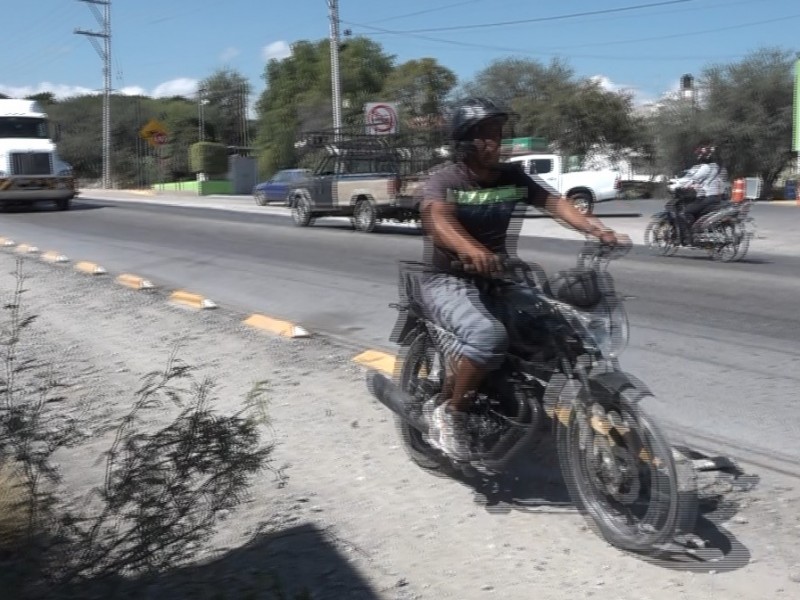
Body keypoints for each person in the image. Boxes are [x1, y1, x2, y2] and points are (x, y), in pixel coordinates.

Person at [417, 97, 628, 462]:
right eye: (485, 135)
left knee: (560, 328)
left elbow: (555, 202)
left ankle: (518, 399)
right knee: (488, 336)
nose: (494, 143)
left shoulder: (512, 177)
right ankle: (452, 413)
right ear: (464, 141)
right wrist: (470, 250)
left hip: (498, 275)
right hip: (448, 279)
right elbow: (438, 219)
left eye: (498, 134)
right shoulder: (446, 179)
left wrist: (596, 228)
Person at [675, 145, 726, 244]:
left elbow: (694, 178)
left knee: (686, 212)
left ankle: (689, 237)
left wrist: (683, 185)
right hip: (719, 197)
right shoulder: (718, 167)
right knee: (696, 210)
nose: (698, 157)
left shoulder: (706, 167)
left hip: (709, 197)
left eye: (700, 155)